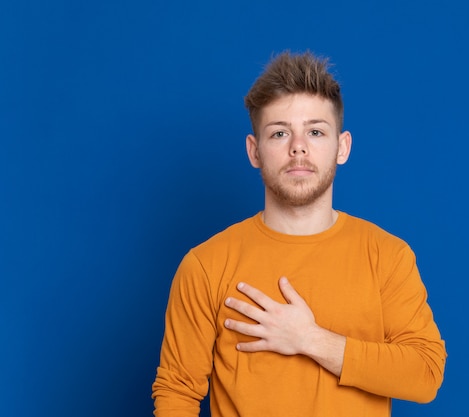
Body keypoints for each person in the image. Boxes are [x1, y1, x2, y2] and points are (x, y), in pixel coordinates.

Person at [152, 51, 447, 417]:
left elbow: (426, 374)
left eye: (316, 131)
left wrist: (311, 340)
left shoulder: (387, 255)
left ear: (342, 147)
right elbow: (176, 392)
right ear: (254, 151)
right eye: (279, 133)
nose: (298, 147)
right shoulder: (206, 265)